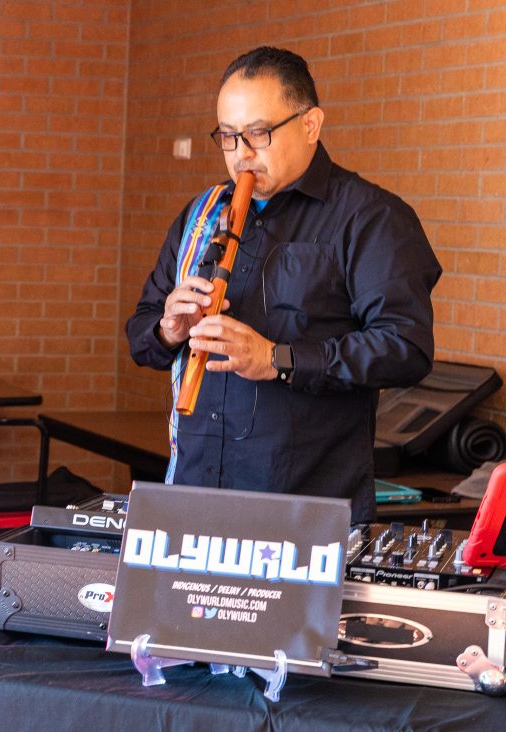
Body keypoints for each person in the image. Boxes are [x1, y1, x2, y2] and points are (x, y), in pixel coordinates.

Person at [126, 46, 441, 523]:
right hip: (194, 495)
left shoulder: (372, 218)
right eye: (228, 137)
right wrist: (170, 328)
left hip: (302, 513)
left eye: (258, 133)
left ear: (311, 124)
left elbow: (406, 348)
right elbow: (141, 334)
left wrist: (277, 359)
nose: (241, 154)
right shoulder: (203, 214)